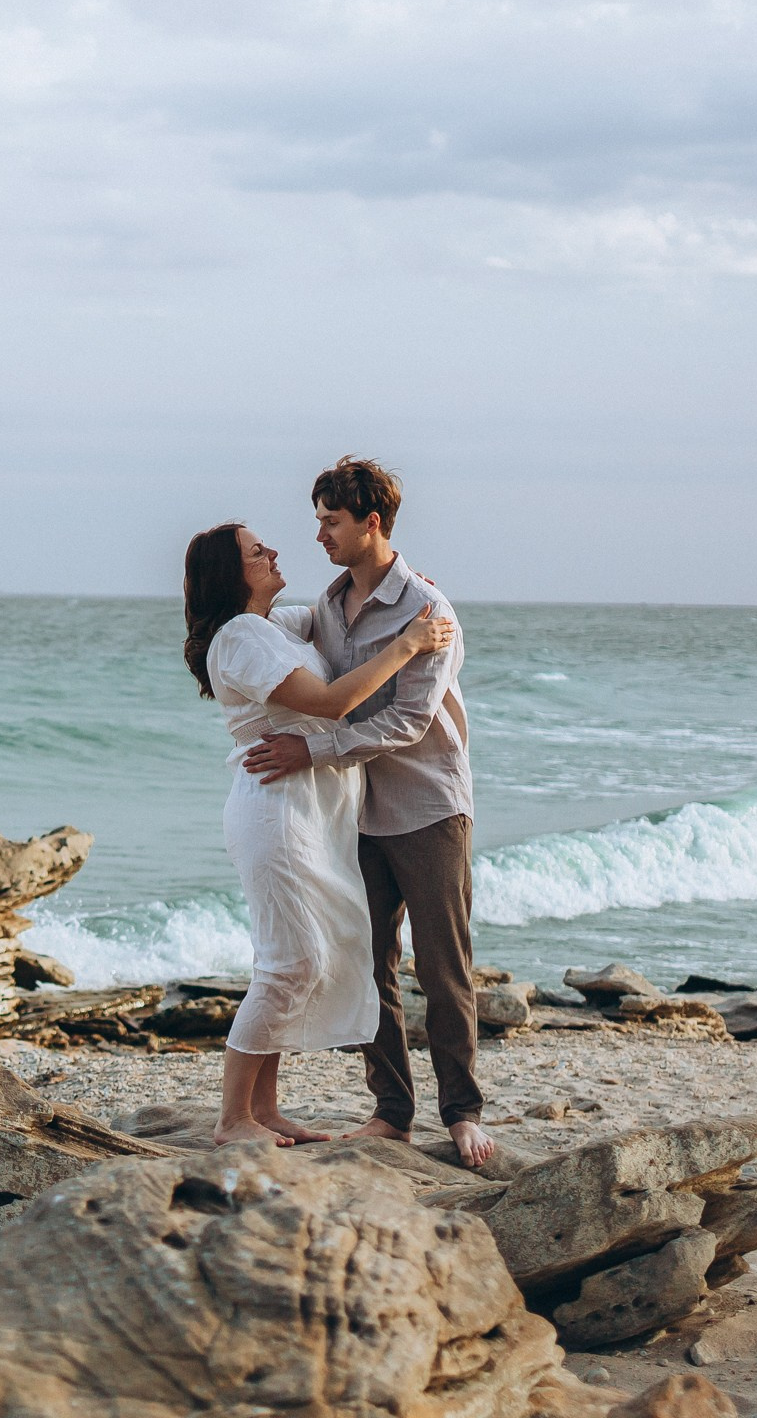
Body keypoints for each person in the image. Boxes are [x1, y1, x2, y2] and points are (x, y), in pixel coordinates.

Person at [240, 456, 492, 1166]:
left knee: (444, 966)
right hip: (358, 813)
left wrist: (309, 752)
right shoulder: (326, 608)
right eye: (318, 520)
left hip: (428, 806)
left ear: (371, 523)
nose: (318, 534)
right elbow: (259, 627)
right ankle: (392, 1112)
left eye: (330, 521)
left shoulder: (429, 612)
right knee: (367, 961)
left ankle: (463, 1112)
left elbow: (408, 723)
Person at [182, 521, 455, 1148]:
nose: (274, 551)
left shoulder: (276, 625)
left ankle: (266, 1108)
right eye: (257, 552)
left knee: (298, 960)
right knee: (291, 962)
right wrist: (411, 643)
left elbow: (347, 606)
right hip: (276, 813)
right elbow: (330, 702)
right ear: (232, 574)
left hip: (312, 813)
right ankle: (231, 1120)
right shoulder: (241, 636)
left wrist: (408, 592)